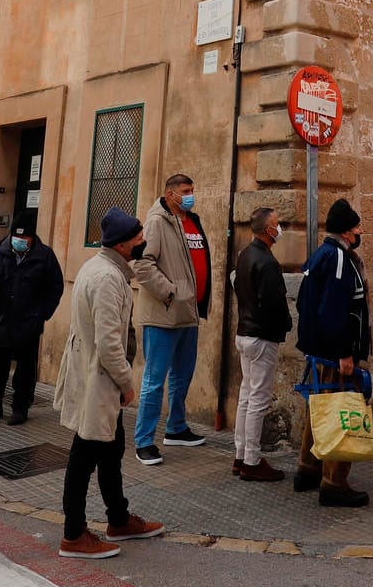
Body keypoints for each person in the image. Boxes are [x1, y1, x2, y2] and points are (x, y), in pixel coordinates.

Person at [54, 207, 164, 559]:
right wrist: (127, 384)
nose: (142, 242)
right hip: (99, 381)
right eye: (137, 237)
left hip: (98, 380)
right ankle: (73, 533)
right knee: (84, 455)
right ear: (121, 244)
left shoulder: (103, 268)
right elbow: (108, 341)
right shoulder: (106, 278)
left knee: (111, 449)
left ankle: (118, 518)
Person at [294, 198, 372, 507]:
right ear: (347, 231)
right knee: (342, 412)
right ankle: (334, 482)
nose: (360, 230)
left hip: (319, 351)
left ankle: (308, 469)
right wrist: (344, 353)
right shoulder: (339, 259)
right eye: (357, 226)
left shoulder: (320, 255)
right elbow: (334, 310)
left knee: (320, 409)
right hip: (334, 354)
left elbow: (304, 303)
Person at [131, 174, 212, 465]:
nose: (191, 195)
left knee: (182, 375)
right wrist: (170, 292)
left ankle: (176, 428)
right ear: (169, 194)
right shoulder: (156, 222)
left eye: (192, 190)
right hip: (164, 315)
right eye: (185, 191)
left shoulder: (192, 220)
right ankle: (143, 441)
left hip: (188, 314)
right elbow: (142, 264)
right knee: (155, 380)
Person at [0, 214, 65, 425]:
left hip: (28, 322)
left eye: (25, 238)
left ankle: (20, 408)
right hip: (1, 319)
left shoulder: (44, 256)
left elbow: (55, 287)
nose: (20, 241)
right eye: (16, 236)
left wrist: (43, 313)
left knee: (25, 370)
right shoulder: (1, 252)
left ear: (32, 238)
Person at [231, 207, 291, 482]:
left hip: (245, 333)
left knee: (247, 396)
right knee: (257, 399)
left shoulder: (245, 254)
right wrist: (285, 324)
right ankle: (252, 461)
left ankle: (241, 455)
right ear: (268, 230)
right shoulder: (265, 261)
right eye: (277, 224)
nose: (280, 228)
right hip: (261, 336)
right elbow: (272, 302)